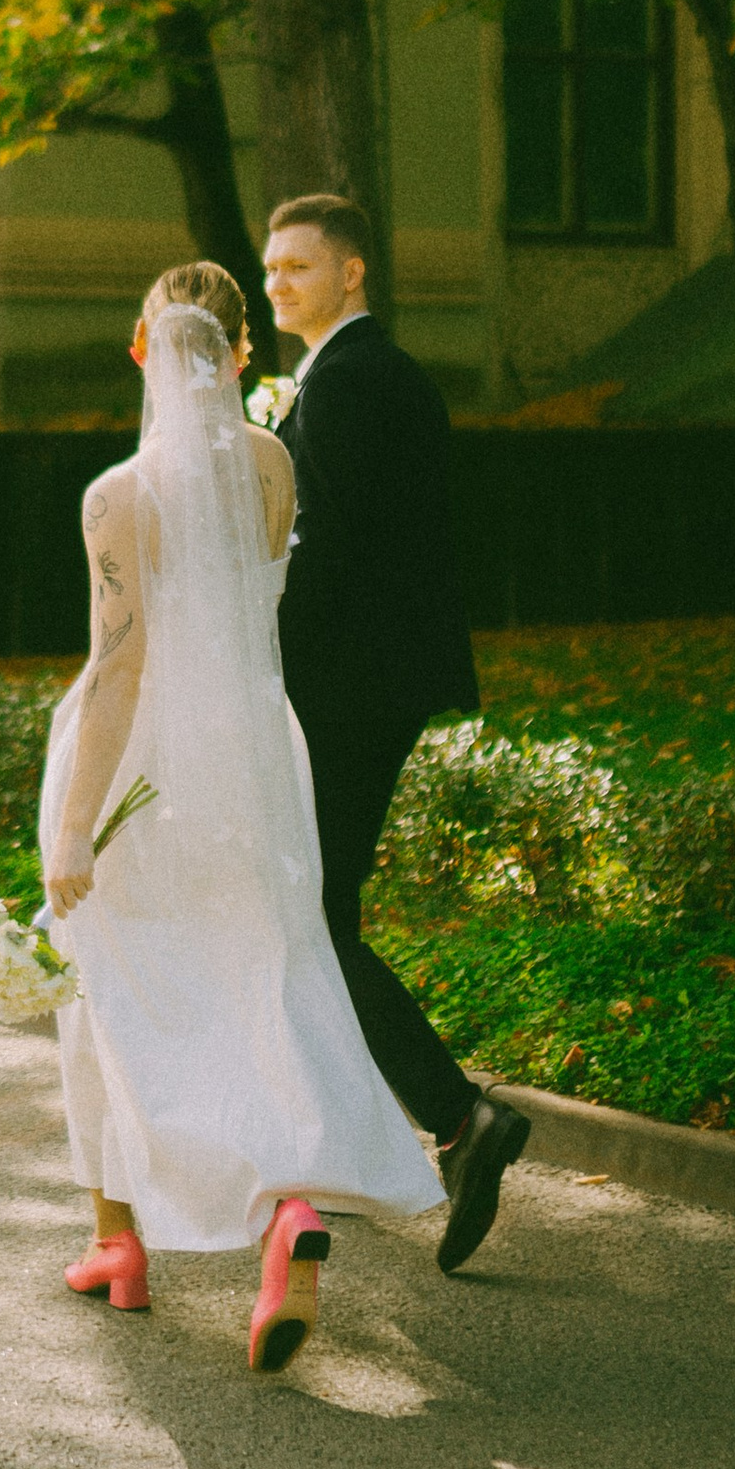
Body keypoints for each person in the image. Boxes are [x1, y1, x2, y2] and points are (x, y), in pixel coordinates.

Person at [39, 264, 443, 1374]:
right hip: (258, 758)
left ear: (139, 347)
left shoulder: (116, 494)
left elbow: (118, 668)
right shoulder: (269, 465)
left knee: (111, 992)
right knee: (250, 984)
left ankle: (118, 1242)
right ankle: (287, 1213)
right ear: (241, 357)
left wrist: (75, 826)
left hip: (143, 770)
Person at [260, 194, 530, 1274]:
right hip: (359, 679)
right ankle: (371, 1137)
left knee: (310, 914)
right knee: (314, 909)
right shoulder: (343, 376)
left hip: (350, 684)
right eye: (270, 268)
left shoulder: (359, 379)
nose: (277, 282)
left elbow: (331, 550)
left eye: (298, 266)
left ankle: (459, 1121)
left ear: (352, 272)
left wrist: (250, 650)